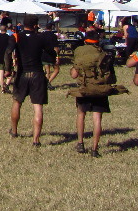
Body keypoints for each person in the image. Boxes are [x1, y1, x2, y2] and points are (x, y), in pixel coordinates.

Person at [9, 15, 57, 147]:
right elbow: (51, 52)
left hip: (22, 73)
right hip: (37, 74)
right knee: (38, 107)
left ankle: (14, 131)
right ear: (35, 25)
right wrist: (53, 60)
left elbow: (8, 52)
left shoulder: (16, 36)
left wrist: (8, 69)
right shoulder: (41, 37)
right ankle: (36, 140)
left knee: (17, 102)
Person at [69, 29, 117, 157]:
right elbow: (112, 77)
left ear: (85, 40)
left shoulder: (79, 53)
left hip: (85, 88)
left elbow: (74, 75)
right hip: (100, 89)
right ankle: (95, 149)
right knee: (97, 118)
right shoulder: (103, 54)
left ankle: (80, 142)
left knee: (81, 114)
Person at [0, 23, 16, 94]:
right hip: (7, 57)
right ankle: (6, 85)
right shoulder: (9, 37)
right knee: (11, 72)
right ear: (6, 29)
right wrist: (13, 57)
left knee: (1, 72)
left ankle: (2, 88)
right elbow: (11, 49)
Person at [40, 22, 60, 90]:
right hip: (51, 54)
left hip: (44, 54)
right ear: (52, 27)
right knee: (56, 70)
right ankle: (48, 82)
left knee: (47, 70)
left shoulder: (41, 35)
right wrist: (57, 57)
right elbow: (56, 48)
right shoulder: (53, 36)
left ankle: (46, 83)